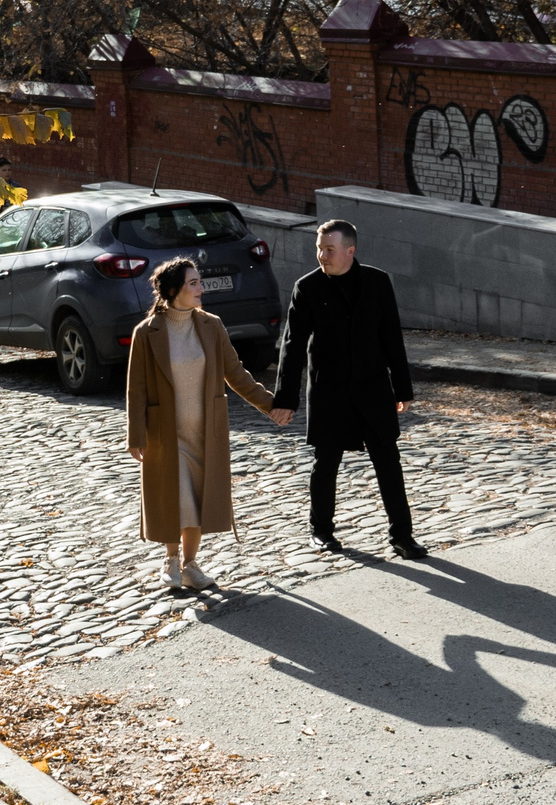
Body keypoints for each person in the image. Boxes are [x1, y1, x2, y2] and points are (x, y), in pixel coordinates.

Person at [272, 218, 426, 559]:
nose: (322, 256)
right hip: (330, 392)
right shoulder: (307, 288)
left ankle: (402, 535)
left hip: (373, 390)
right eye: (319, 248)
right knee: (325, 463)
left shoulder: (377, 282)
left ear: (350, 250)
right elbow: (292, 345)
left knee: (389, 462)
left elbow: (391, 338)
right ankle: (321, 531)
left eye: (329, 249)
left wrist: (403, 389)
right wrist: (286, 398)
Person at [125, 256, 279, 591]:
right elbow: (135, 388)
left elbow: (235, 374)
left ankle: (190, 565)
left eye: (199, 281)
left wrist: (272, 405)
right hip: (165, 434)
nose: (201, 288)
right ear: (173, 290)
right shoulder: (147, 332)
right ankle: (170, 561)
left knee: (196, 498)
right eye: (193, 283)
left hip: (205, 432)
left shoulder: (211, 326)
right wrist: (135, 435)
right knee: (174, 497)